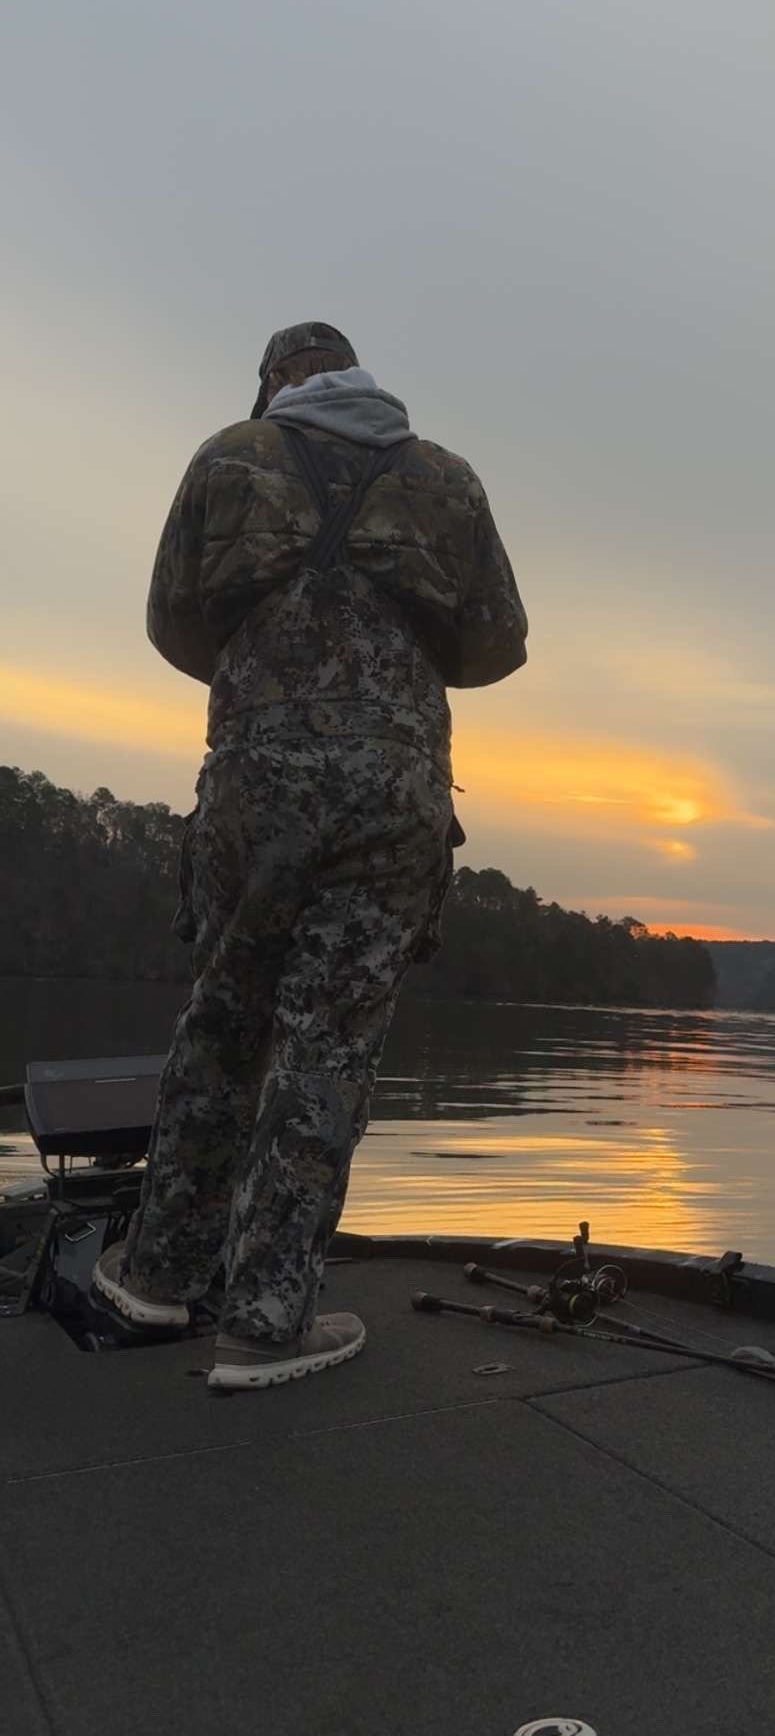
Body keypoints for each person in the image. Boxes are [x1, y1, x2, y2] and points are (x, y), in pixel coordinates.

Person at [92, 321, 527, 1391]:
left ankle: (156, 1279)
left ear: (274, 382)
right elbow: (498, 645)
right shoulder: (449, 481)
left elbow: (171, 624)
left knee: (223, 1022)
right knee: (324, 1048)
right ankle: (267, 1320)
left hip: (254, 784)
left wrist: (269, 675)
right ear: (362, 379)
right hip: (390, 796)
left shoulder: (227, 456)